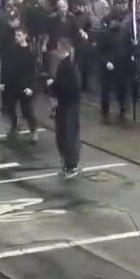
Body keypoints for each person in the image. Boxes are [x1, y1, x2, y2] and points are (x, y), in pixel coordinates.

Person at [46, 38, 82, 179]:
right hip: (66, 105)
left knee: (68, 136)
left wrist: (52, 85)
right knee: (64, 136)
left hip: (68, 106)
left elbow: (68, 88)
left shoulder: (67, 67)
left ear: (62, 49)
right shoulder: (66, 65)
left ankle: (71, 165)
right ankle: (68, 164)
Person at [0, 26, 40, 140]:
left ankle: (33, 130)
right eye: (16, 35)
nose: (16, 37)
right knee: (10, 108)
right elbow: (5, 66)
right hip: (11, 84)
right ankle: (14, 126)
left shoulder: (30, 53)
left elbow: (33, 72)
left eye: (19, 35)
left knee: (27, 110)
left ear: (25, 36)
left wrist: (30, 87)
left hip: (24, 86)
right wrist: (2, 82)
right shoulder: (11, 50)